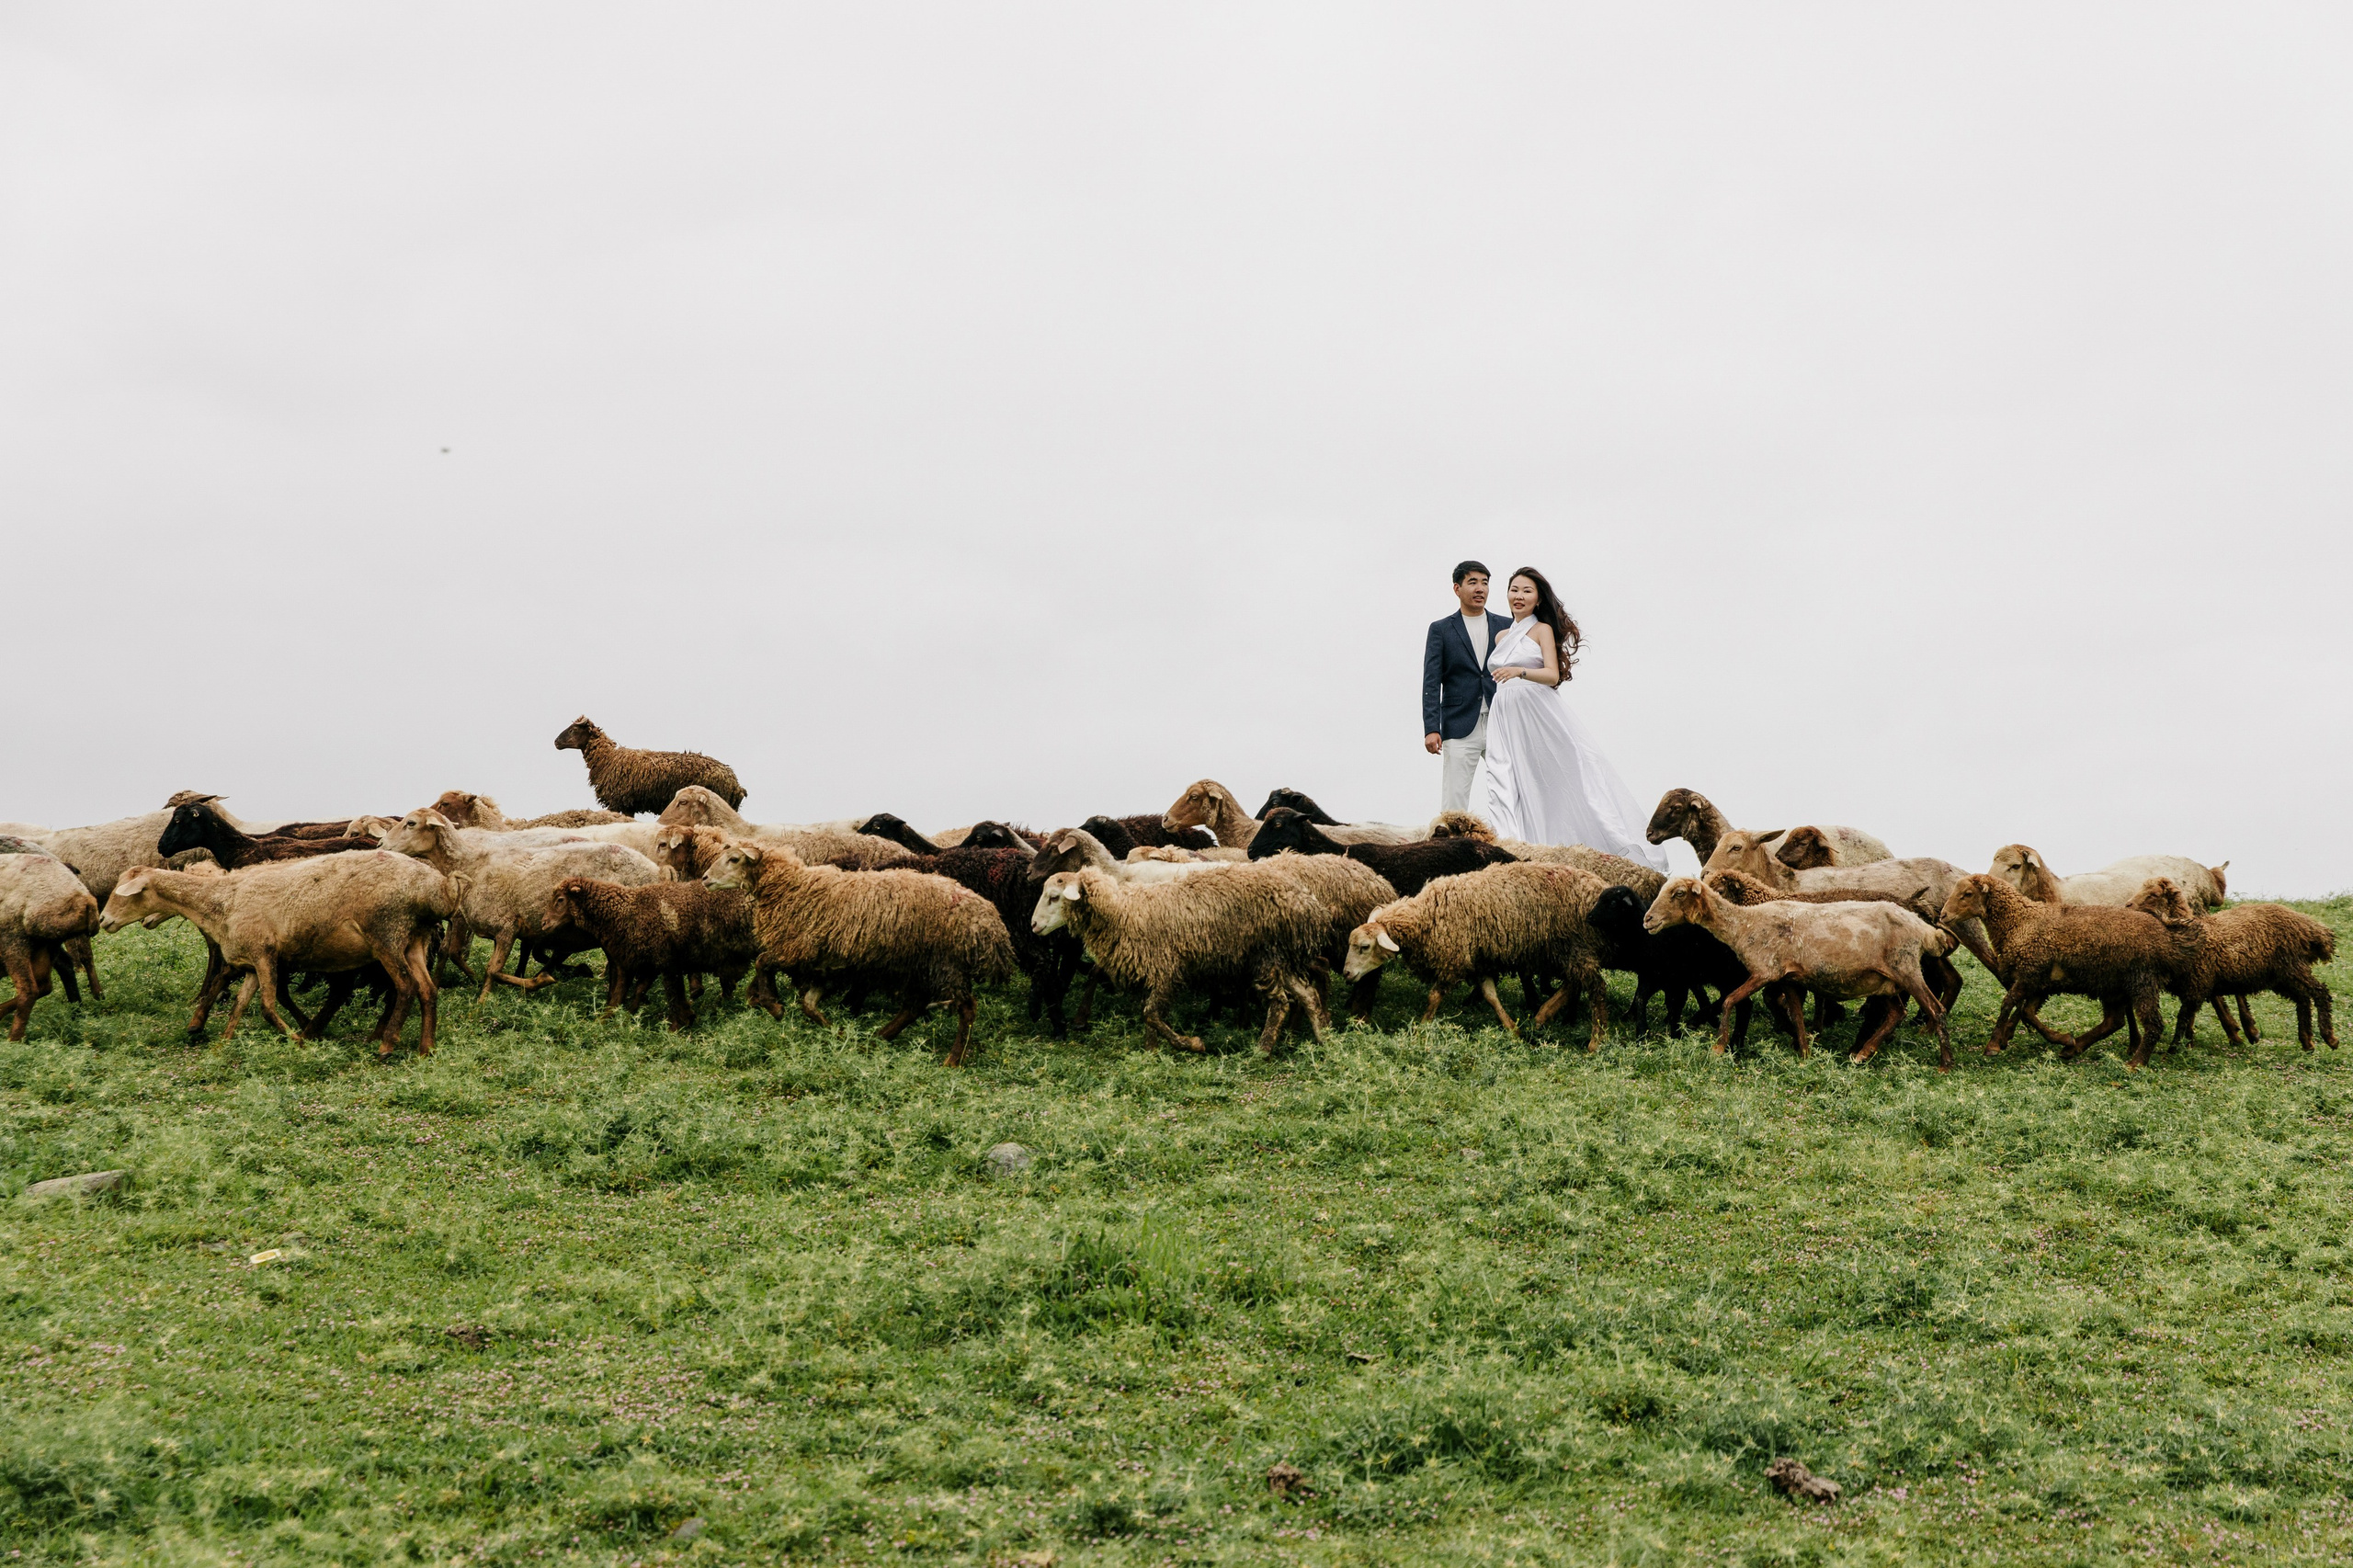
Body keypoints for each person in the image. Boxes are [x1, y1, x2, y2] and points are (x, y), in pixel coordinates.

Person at [1480, 566, 1670, 872]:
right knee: (1505, 779)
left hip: (1537, 713)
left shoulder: (1541, 629)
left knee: (1554, 781)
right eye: (1514, 589)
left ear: (1538, 599)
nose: (1519, 596)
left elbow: (1552, 674)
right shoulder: (1502, 635)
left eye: (1527, 591)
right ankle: (1514, 848)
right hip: (1506, 714)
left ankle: (1593, 843)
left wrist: (1519, 671)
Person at [1422, 561, 1513, 814]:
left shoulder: (1507, 625)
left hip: (1501, 722)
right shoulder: (1441, 629)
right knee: (1454, 801)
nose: (1480, 588)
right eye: (1472, 582)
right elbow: (1431, 680)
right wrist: (1432, 728)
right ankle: (1453, 847)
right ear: (1457, 588)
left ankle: (1514, 844)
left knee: (1512, 790)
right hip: (1459, 724)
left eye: (1485, 583)